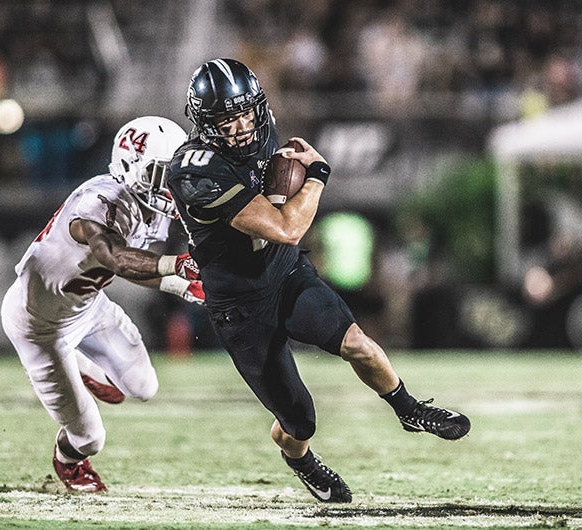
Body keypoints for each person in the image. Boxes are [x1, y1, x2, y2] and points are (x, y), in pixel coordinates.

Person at [167, 58, 470, 503]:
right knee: (299, 420)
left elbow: (280, 214)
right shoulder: (195, 171)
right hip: (240, 303)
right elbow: (288, 226)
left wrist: (286, 183)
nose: (240, 127)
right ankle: (300, 459)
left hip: (286, 271)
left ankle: (408, 409)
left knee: (356, 343)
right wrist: (318, 176)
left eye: (245, 114)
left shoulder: (263, 129)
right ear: (204, 122)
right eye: (227, 120)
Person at [1, 116, 204, 493]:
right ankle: (68, 463)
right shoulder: (98, 200)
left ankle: (83, 364)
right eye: (162, 174)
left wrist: (180, 285)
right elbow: (111, 255)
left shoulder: (151, 208)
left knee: (144, 387)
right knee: (89, 438)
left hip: (88, 306)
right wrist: (177, 266)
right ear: (133, 167)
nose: (171, 185)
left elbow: (129, 263)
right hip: (38, 326)